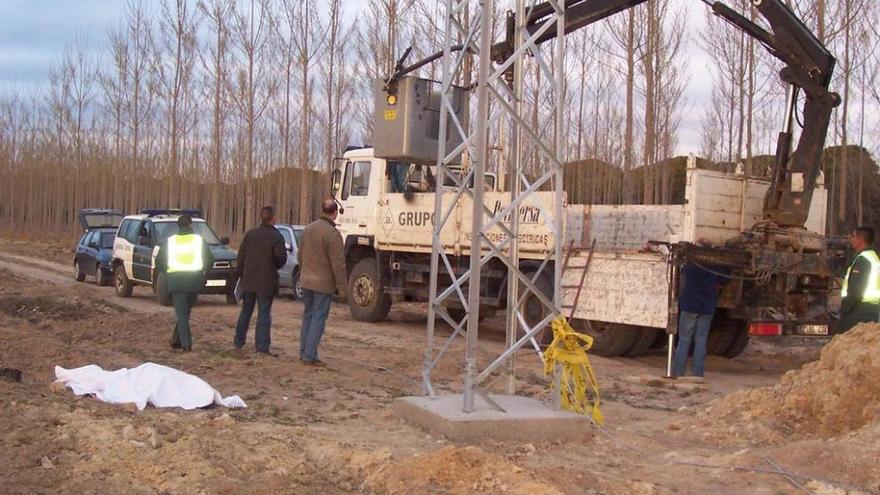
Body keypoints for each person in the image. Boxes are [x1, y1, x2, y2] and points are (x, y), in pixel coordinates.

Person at [297, 199, 348, 365]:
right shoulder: (332, 234)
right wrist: (343, 289)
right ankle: (310, 355)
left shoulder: (308, 229)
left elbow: (300, 255)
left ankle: (304, 351)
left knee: (308, 316)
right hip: (323, 284)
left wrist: (304, 273)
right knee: (318, 318)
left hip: (306, 281)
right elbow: (338, 264)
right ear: (334, 213)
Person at [233, 206, 288, 354]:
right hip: (266, 281)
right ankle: (262, 347)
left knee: (246, 310)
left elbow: (241, 257)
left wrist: (240, 276)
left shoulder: (250, 235)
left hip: (248, 280)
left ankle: (238, 341)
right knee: (264, 313)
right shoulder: (276, 236)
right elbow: (281, 258)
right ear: (273, 218)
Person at [155, 215, 213, 351]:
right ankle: (176, 341)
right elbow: (210, 260)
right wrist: (203, 273)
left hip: (176, 281)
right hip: (194, 281)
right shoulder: (199, 241)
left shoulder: (170, 242)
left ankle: (186, 345)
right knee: (185, 313)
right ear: (191, 225)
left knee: (182, 314)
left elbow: (159, 262)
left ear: (178, 226)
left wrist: (168, 272)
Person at [673, 259, 729, 378]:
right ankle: (698, 374)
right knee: (701, 340)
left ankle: (678, 373)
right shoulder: (716, 266)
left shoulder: (690, 264)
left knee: (684, 340)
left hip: (689, 306)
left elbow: (680, 271)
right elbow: (725, 278)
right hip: (707, 307)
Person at [839, 226, 880, 332]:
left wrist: (845, 308)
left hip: (859, 310)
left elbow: (856, 289)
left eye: (853, 236)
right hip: (872, 309)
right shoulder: (874, 257)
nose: (850, 239)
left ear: (860, 240)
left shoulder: (863, 260)